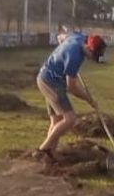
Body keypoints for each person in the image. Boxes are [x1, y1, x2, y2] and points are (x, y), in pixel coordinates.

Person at [34, 26, 107, 163]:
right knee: (70, 119)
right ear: (88, 48)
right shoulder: (74, 57)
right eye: (93, 56)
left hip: (44, 77)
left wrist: (62, 53)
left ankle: (50, 154)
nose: (92, 59)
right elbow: (72, 87)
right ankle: (43, 149)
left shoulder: (77, 37)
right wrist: (89, 99)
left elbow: (60, 37)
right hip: (51, 82)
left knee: (56, 120)